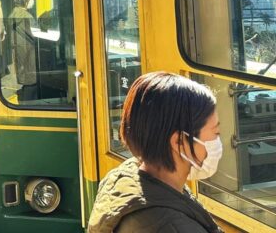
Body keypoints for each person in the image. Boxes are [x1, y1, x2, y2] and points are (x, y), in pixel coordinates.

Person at [88, 72, 223, 233]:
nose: (217, 141)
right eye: (215, 133)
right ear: (179, 141)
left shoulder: (127, 177)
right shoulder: (171, 226)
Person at [8, 0, 38, 101]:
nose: (33, 1)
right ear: (25, 0)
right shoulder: (26, 16)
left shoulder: (14, 13)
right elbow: (35, 33)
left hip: (19, 48)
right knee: (30, 80)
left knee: (23, 77)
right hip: (28, 49)